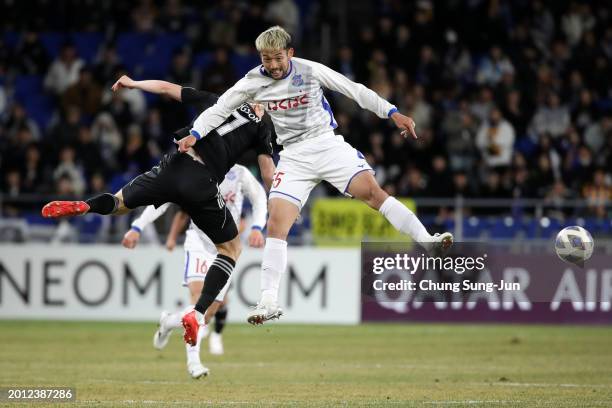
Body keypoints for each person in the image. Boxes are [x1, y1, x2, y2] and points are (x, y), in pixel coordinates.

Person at [176, 26, 453, 325]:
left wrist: (393, 113)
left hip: (326, 143)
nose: (272, 65)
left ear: (290, 53)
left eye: (277, 58)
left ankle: (427, 241)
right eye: (266, 59)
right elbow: (219, 109)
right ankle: (268, 301)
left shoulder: (309, 71)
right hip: (294, 156)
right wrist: (195, 133)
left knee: (374, 194)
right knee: (276, 224)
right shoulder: (252, 82)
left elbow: (354, 90)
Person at [41, 76, 275, 350]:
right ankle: (197, 313)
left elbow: (166, 88)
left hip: (172, 166)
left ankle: (85, 206)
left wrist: (133, 83)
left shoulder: (216, 102)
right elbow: (268, 173)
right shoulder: (263, 128)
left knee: (118, 204)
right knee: (231, 248)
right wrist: (282, 203)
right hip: (202, 181)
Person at [122, 163, 267, 378]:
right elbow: (161, 201)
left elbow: (259, 197)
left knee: (206, 315)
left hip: (226, 248)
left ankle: (170, 321)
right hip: (198, 242)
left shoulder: (239, 173)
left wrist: (257, 226)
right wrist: (137, 227)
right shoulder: (193, 170)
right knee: (198, 300)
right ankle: (194, 362)